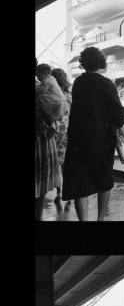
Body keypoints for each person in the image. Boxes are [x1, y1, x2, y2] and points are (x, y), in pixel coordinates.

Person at [62, 47, 124, 221]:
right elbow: (119, 117)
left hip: (78, 141)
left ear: (84, 64)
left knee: (80, 183)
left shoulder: (78, 83)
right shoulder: (106, 84)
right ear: (101, 62)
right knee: (104, 180)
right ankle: (99, 220)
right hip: (101, 142)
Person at [35, 61, 62, 220]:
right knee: (41, 181)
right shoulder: (44, 86)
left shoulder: (41, 87)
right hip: (44, 139)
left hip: (41, 138)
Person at [51, 68, 72, 210]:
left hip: (55, 131)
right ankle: (67, 193)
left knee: (57, 163)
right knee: (65, 164)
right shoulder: (69, 95)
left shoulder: (53, 94)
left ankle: (59, 192)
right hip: (67, 132)